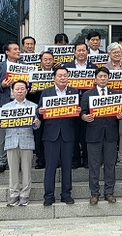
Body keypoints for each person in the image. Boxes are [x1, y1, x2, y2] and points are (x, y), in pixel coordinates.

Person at [80, 67, 122, 205]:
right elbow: (82, 112)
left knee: (110, 165)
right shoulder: (87, 94)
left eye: (105, 76)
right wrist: (84, 117)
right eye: (100, 76)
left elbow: (119, 112)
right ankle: (94, 193)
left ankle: (109, 192)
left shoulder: (115, 94)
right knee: (94, 166)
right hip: (93, 134)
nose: (103, 78)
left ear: (108, 78)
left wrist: (120, 116)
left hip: (110, 134)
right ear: (95, 79)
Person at [38, 66, 80, 205]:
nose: (62, 78)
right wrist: (40, 111)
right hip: (51, 134)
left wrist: (78, 110)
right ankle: (48, 195)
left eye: (65, 75)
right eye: (60, 75)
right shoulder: (46, 92)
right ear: (54, 78)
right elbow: (39, 111)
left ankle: (66, 194)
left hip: (68, 134)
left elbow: (77, 113)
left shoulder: (74, 91)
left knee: (67, 166)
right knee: (50, 167)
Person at [0, 80, 40, 206]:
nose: (20, 91)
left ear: (26, 91)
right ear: (12, 91)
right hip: (11, 142)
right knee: (13, 171)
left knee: (27, 170)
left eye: (22, 89)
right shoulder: (5, 108)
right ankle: (14, 194)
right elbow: (2, 127)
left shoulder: (33, 107)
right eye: (17, 89)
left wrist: (37, 123)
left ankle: (25, 194)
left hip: (26, 141)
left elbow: (36, 127)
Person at [0, 41, 23, 173]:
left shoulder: (24, 66)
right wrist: (2, 85)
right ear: (7, 52)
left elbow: (30, 84)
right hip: (4, 103)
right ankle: (2, 161)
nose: (18, 51)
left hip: (20, 103)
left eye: (18, 49)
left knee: (20, 133)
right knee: (3, 134)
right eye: (15, 49)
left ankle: (17, 162)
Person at [64, 42, 97, 168]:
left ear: (87, 52)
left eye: (84, 50)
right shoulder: (67, 67)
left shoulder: (93, 67)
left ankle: (87, 159)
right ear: (74, 52)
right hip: (71, 103)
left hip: (88, 102)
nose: (81, 53)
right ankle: (75, 159)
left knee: (87, 132)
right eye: (79, 50)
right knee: (73, 132)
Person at [104, 42, 122, 167]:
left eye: (119, 52)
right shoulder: (104, 68)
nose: (117, 54)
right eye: (114, 52)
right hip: (109, 104)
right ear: (109, 54)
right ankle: (108, 157)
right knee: (109, 131)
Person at [28, 51, 55, 169]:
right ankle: (40, 160)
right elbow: (26, 95)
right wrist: (30, 92)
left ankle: (53, 159)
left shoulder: (58, 74)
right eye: (45, 59)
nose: (48, 62)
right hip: (38, 110)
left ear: (53, 61)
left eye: (50, 59)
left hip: (54, 110)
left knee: (53, 136)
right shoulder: (34, 75)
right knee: (38, 135)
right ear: (41, 61)